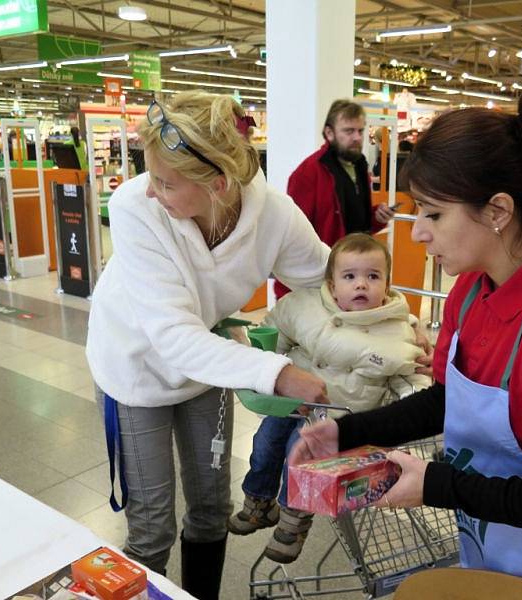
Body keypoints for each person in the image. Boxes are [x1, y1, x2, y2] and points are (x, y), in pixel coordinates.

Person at [290, 81, 522, 600]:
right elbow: (451, 399)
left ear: (498, 211)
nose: (417, 233)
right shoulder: (474, 289)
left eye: (433, 213)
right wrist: (349, 433)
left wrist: (436, 485)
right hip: (493, 555)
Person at [85, 90, 334, 600]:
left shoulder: (274, 216)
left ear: (218, 184)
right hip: (134, 371)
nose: (151, 191)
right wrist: (280, 373)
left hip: (207, 366)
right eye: (149, 174)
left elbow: (328, 275)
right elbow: (173, 336)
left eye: (165, 181)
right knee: (152, 526)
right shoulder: (134, 207)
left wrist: (388, 316)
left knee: (209, 511)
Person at [227, 233, 431, 563]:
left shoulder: (399, 333)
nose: (361, 285)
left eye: (373, 277)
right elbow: (274, 334)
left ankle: (293, 521)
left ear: (388, 286)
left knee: (300, 454)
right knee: (264, 441)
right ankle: (258, 502)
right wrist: (267, 371)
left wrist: (412, 409)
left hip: (340, 421)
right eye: (350, 277)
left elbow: (412, 379)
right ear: (332, 285)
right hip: (292, 404)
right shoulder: (305, 308)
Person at [277, 99, 397, 297]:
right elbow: (293, 235)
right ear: (329, 133)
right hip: (318, 282)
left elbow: (356, 221)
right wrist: (291, 293)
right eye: (349, 131)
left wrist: (377, 217)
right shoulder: (308, 173)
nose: (357, 137)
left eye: (360, 130)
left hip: (353, 275)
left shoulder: (359, 168)